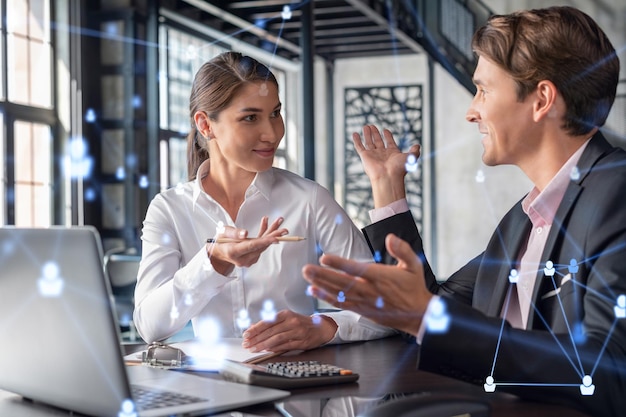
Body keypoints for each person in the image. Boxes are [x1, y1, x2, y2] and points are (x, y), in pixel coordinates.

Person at [303, 6, 625, 417]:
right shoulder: (521, 222)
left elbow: (607, 372)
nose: (471, 110)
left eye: (484, 90)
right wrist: (387, 186)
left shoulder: (615, 195)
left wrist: (426, 315)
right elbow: (432, 307)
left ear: (542, 99)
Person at [134, 51, 393, 351]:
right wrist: (213, 262)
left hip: (296, 387)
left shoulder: (309, 200)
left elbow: (387, 308)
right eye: (250, 118)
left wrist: (321, 326)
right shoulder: (169, 209)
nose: (272, 133)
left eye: (275, 113)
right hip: (212, 391)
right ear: (206, 125)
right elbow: (149, 327)